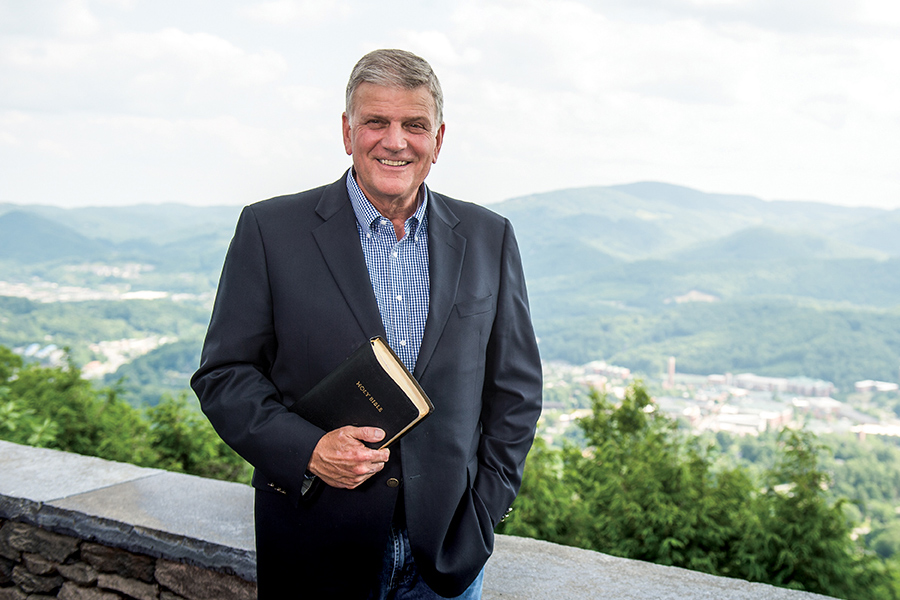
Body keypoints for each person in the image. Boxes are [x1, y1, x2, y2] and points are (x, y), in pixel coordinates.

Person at [191, 48, 542, 599]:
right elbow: (225, 376)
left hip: (446, 555)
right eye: (376, 121)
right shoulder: (269, 229)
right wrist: (307, 451)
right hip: (314, 543)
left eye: (414, 125)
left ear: (439, 139)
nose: (395, 141)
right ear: (347, 132)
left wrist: (486, 507)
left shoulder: (488, 236)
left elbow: (515, 388)